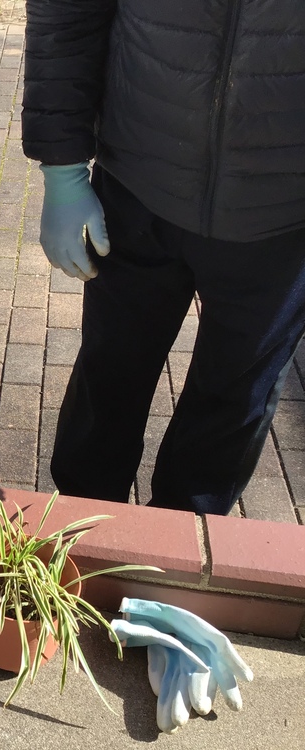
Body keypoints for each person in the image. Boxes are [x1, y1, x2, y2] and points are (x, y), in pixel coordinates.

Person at [23, 1, 305, 515]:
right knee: (109, 371)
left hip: (284, 216)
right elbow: (67, 11)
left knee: (234, 400)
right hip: (139, 183)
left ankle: (181, 552)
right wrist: (61, 165)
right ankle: (83, 528)